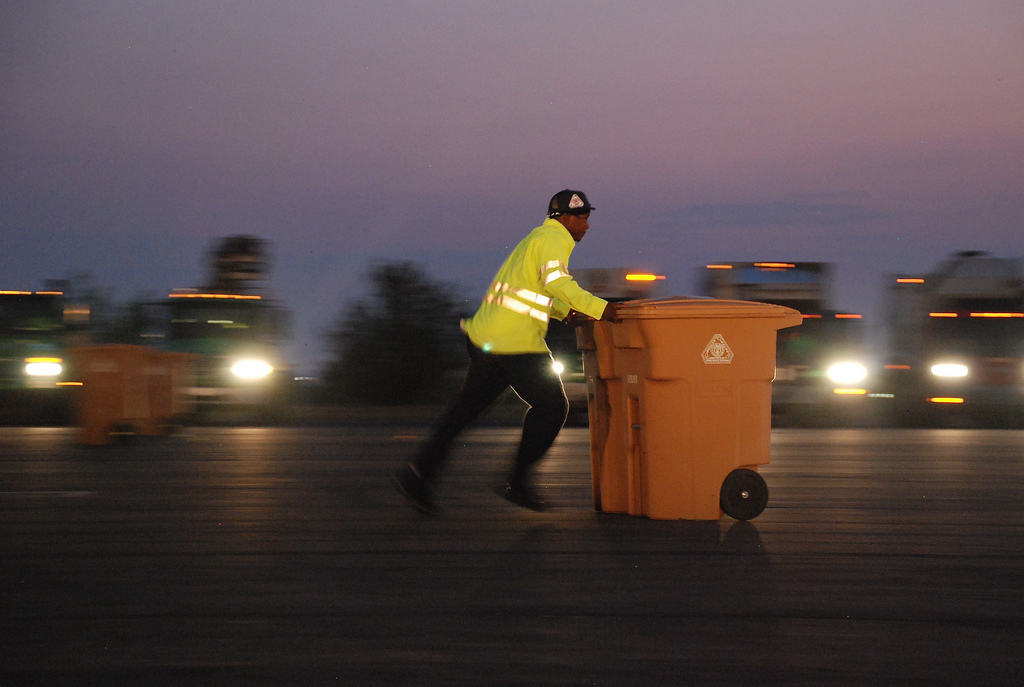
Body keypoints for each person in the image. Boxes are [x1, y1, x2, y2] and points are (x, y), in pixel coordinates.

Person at [390, 189, 621, 515]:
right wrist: (602, 308)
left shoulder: (537, 238)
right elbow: (557, 283)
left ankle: (417, 475)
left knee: (463, 414)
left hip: (486, 336)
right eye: (582, 218)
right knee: (553, 406)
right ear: (565, 219)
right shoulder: (555, 240)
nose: (586, 225)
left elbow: (533, 291)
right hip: (513, 342)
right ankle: (516, 482)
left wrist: (561, 313)